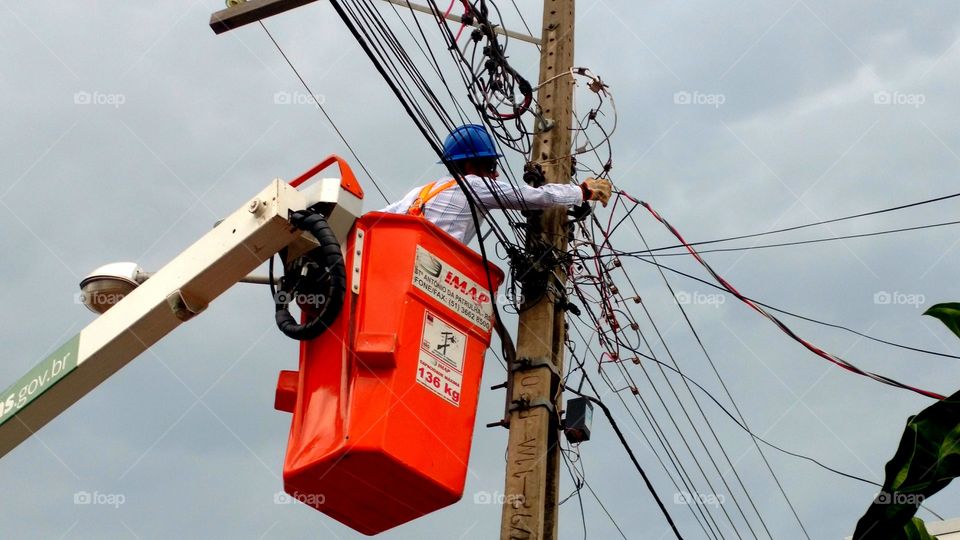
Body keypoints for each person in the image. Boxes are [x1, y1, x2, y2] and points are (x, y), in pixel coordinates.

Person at [380, 124, 612, 244]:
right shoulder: (474, 185)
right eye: (491, 166)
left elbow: (378, 218)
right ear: (471, 166)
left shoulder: (420, 192)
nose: (496, 174)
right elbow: (536, 197)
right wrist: (582, 191)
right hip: (434, 270)